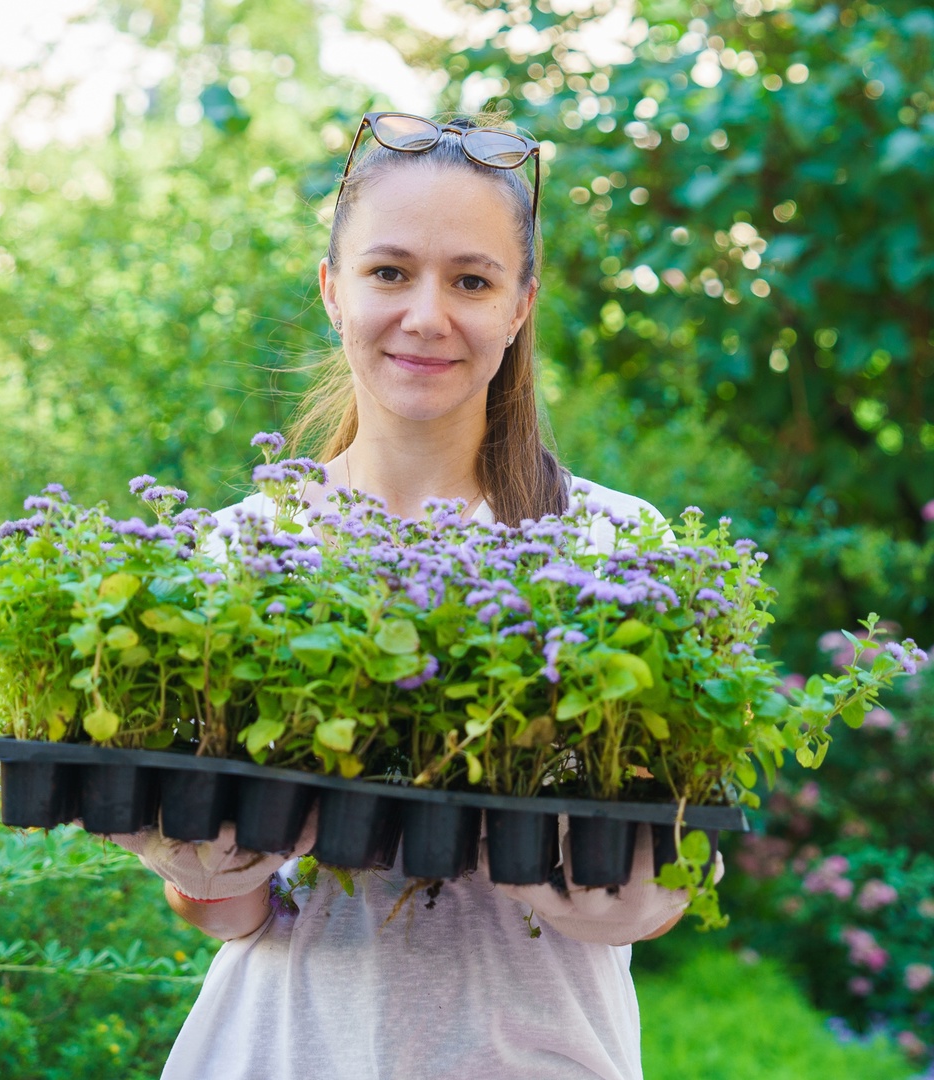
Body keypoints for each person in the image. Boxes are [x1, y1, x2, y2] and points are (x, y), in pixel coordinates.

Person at [109, 112, 720, 1080]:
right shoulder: (238, 552)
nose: (427, 315)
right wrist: (199, 871)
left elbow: (673, 876)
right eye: (389, 272)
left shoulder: (616, 550)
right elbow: (224, 914)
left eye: (470, 280)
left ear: (520, 306)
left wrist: (641, 895)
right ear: (331, 290)